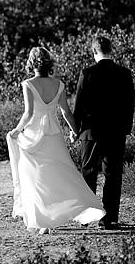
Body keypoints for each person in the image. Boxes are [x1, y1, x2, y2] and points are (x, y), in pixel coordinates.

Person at [6, 46, 105, 234]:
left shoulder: (28, 84)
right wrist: (76, 131)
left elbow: (28, 114)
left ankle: (43, 221)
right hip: (54, 135)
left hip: (33, 136)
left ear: (32, 64)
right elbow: (66, 112)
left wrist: (17, 131)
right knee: (61, 174)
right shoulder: (59, 84)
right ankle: (72, 208)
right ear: (48, 63)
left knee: (35, 178)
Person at [71, 35, 135, 229]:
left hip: (91, 132)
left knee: (88, 173)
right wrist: (126, 128)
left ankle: (87, 217)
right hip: (116, 131)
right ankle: (110, 219)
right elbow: (129, 104)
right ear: (111, 50)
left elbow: (79, 104)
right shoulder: (124, 73)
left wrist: (76, 129)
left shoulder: (87, 73)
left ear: (93, 51)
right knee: (113, 175)